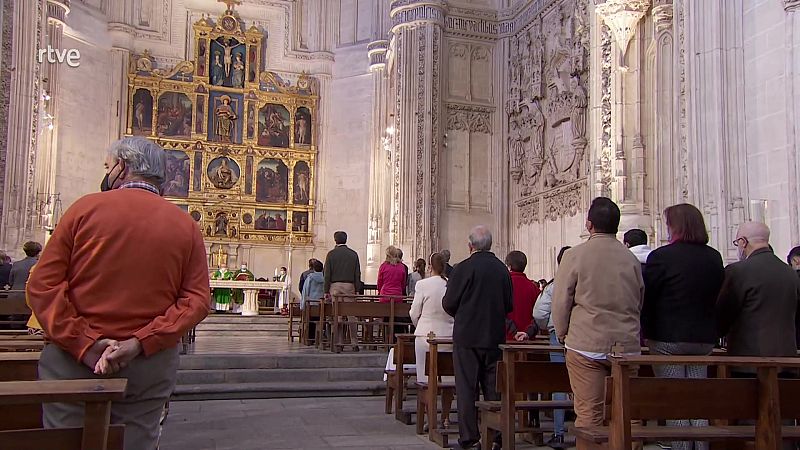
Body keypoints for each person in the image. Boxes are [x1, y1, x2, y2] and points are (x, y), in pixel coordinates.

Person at [26, 137, 210, 450]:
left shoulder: (84, 209)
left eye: (108, 166)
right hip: (146, 365)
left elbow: (42, 285)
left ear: (122, 168)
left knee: (66, 439)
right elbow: (196, 300)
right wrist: (140, 342)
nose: (107, 171)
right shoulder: (185, 226)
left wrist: (85, 343)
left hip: (72, 361)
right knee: (135, 440)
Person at [551, 197, 644, 449]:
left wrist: (562, 333)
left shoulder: (575, 255)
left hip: (586, 343)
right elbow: (639, 299)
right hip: (626, 345)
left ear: (589, 224)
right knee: (628, 415)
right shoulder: (630, 259)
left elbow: (561, 300)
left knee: (589, 414)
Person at [642, 204, 724, 450]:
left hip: (668, 337)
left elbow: (649, 297)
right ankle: (701, 446)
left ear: (675, 227)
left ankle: (679, 446)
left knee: (675, 398)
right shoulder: (713, 257)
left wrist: (645, 331)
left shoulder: (662, 257)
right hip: (703, 339)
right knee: (698, 399)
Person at [443, 226, 512, 450]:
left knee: (466, 387)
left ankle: (469, 438)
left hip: (467, 336)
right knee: (493, 388)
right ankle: (495, 436)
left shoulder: (463, 268)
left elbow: (449, 303)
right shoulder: (502, 270)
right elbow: (509, 305)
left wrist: (464, 315)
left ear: (470, 245)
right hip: (494, 335)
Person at [717, 222, 800, 370]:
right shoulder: (790, 273)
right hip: (787, 359)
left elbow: (723, 315)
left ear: (743, 242)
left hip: (749, 359)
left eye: (737, 243)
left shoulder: (738, 271)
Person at [516, 245, 572, 448]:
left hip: (559, 336)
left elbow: (540, 314)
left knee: (558, 381)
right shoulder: (588, 281)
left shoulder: (554, 286)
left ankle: (559, 433)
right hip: (585, 336)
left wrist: (544, 326)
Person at [409, 253, 452, 383]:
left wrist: (420, 325)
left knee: (424, 375)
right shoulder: (450, 284)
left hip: (425, 334)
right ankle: (447, 398)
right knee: (448, 375)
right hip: (448, 334)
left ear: (430, 267)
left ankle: (427, 400)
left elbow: (414, 312)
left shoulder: (422, 284)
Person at [324, 231, 362, 352]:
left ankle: (339, 342)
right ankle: (354, 342)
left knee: (338, 315)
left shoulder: (331, 254)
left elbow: (327, 274)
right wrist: (357, 289)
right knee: (351, 316)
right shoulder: (353, 254)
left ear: (335, 240)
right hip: (349, 286)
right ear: (346, 239)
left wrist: (326, 290)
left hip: (335, 286)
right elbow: (357, 273)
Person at [504, 251, 540, 340]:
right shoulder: (534, 288)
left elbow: (497, 312)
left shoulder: (501, 286)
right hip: (528, 340)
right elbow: (539, 315)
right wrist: (528, 332)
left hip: (506, 339)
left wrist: (514, 332)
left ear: (509, 267)